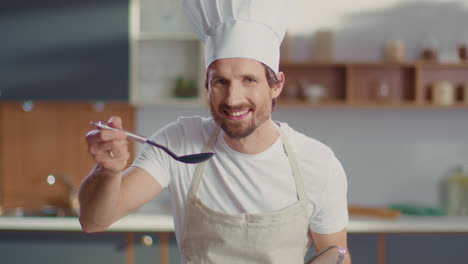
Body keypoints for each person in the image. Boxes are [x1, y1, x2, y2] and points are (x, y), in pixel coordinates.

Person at [79, 0, 351, 263]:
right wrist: (108, 171)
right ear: (206, 85)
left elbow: (334, 254)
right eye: (220, 81)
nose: (233, 99)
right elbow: (93, 220)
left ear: (276, 85)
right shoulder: (179, 142)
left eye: (249, 80)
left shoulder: (318, 163)